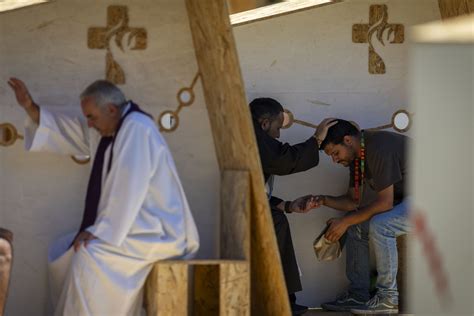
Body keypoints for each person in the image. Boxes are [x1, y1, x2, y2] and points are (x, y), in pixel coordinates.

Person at [7, 78, 199, 316]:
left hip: (157, 230)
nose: (88, 124)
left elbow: (129, 188)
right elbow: (70, 132)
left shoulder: (136, 128)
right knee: (62, 251)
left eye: (91, 117)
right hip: (130, 227)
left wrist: (100, 231)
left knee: (88, 257)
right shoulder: (110, 130)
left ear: (111, 109)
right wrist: (30, 108)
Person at [249, 97, 335, 315]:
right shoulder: (253, 136)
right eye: (278, 127)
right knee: (275, 223)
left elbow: (255, 192)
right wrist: (316, 140)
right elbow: (283, 160)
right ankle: (280, 300)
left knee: (278, 219)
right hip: (244, 212)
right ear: (265, 123)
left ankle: (283, 299)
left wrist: (288, 205)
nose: (278, 135)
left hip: (249, 207)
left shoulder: (251, 136)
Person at [315, 119, 409, 314]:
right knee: (355, 224)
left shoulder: (379, 147)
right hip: (407, 202)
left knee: (382, 225)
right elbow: (353, 202)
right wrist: (322, 200)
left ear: (348, 140)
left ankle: (388, 299)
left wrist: (345, 221)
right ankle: (358, 296)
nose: (334, 160)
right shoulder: (356, 159)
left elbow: (385, 203)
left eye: (335, 153)